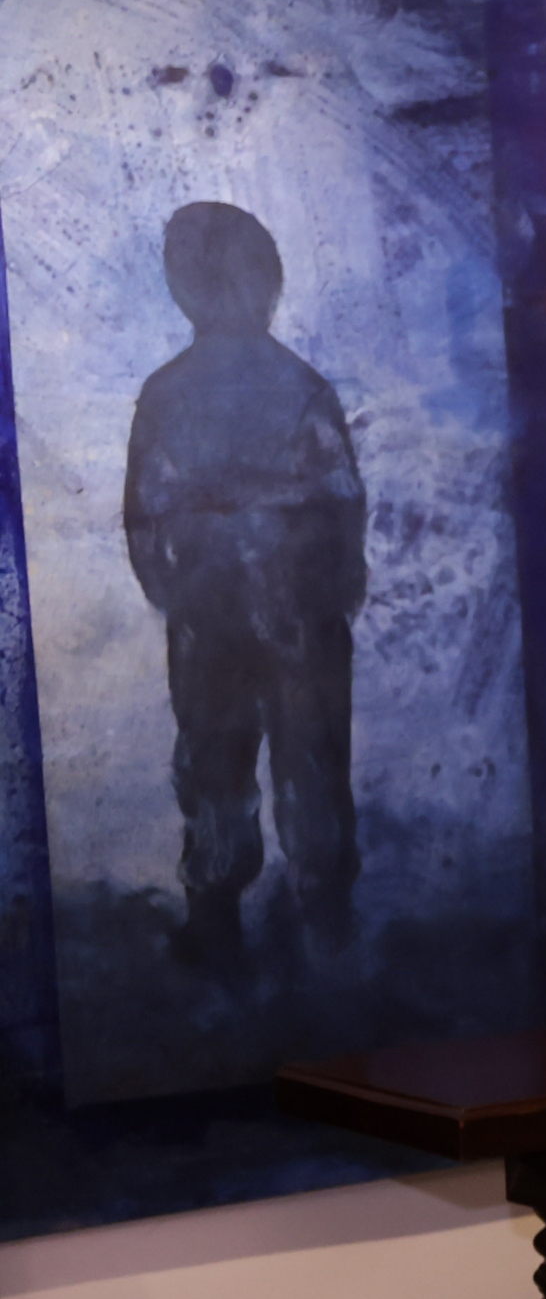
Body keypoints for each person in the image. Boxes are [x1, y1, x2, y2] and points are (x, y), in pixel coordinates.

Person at [124, 200, 364, 972]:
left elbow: (142, 517)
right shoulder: (301, 384)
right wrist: (334, 585)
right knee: (311, 762)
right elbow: (342, 499)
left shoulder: (166, 394)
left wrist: (173, 590)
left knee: (216, 764)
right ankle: (323, 921)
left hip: (213, 614)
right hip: (296, 615)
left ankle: (221, 925)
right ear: (266, 278)